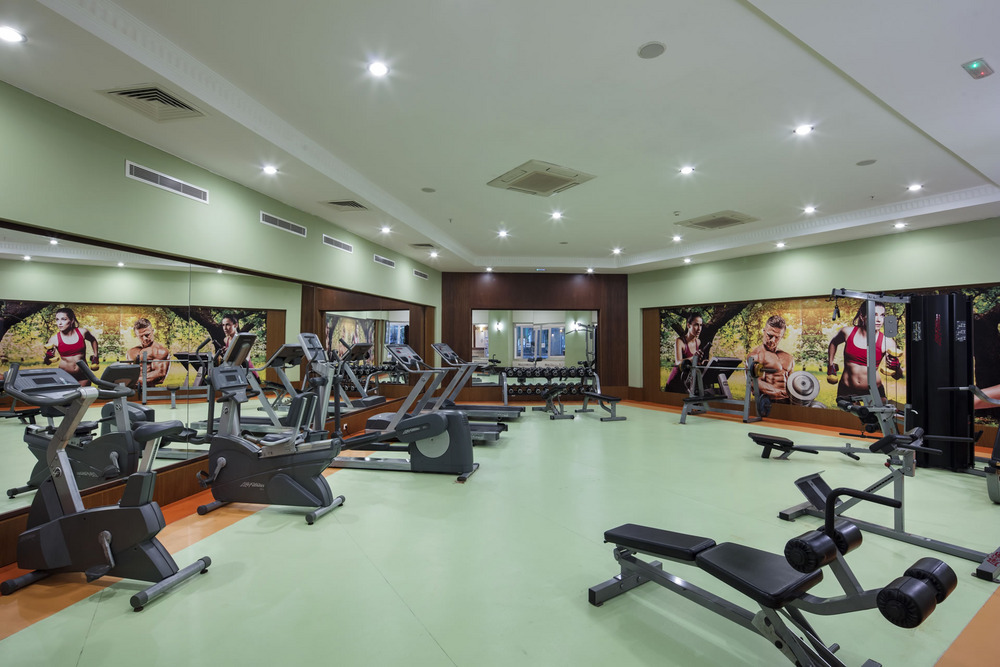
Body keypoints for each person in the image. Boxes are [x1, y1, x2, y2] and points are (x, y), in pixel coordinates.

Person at [827, 302, 902, 399]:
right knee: (849, 409)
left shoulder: (887, 342)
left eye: (882, 315)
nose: (879, 320)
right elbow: (833, 343)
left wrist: (897, 367)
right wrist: (830, 364)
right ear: (862, 317)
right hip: (847, 388)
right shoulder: (847, 332)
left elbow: (897, 376)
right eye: (874, 315)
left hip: (874, 390)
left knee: (880, 409)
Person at [43, 307, 99, 386]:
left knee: (84, 394)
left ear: (72, 320)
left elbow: (93, 340)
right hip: (65, 376)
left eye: (63, 319)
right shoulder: (54, 339)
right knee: (68, 394)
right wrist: (47, 357)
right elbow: (47, 362)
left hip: (83, 374)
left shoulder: (83, 332)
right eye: (57, 319)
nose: (59, 323)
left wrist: (95, 356)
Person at [748, 315, 795, 403]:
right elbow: (754, 383)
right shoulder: (756, 356)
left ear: (782, 336)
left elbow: (792, 382)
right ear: (764, 331)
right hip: (768, 402)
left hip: (790, 401)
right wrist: (779, 392)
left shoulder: (788, 357)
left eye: (777, 337)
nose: (773, 340)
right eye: (770, 335)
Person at [125, 317, 170, 387]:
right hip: (130, 389)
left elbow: (160, 374)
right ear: (136, 335)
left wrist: (133, 381)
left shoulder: (159, 351)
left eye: (147, 335)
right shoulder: (131, 352)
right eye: (141, 336)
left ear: (152, 331)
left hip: (148, 389)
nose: (144, 338)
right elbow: (127, 372)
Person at [665, 313, 703, 392]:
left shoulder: (698, 342)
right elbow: (678, 362)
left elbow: (694, 364)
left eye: (701, 325)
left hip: (686, 384)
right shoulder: (680, 341)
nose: (699, 328)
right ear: (688, 325)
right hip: (674, 383)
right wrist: (694, 358)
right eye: (696, 325)